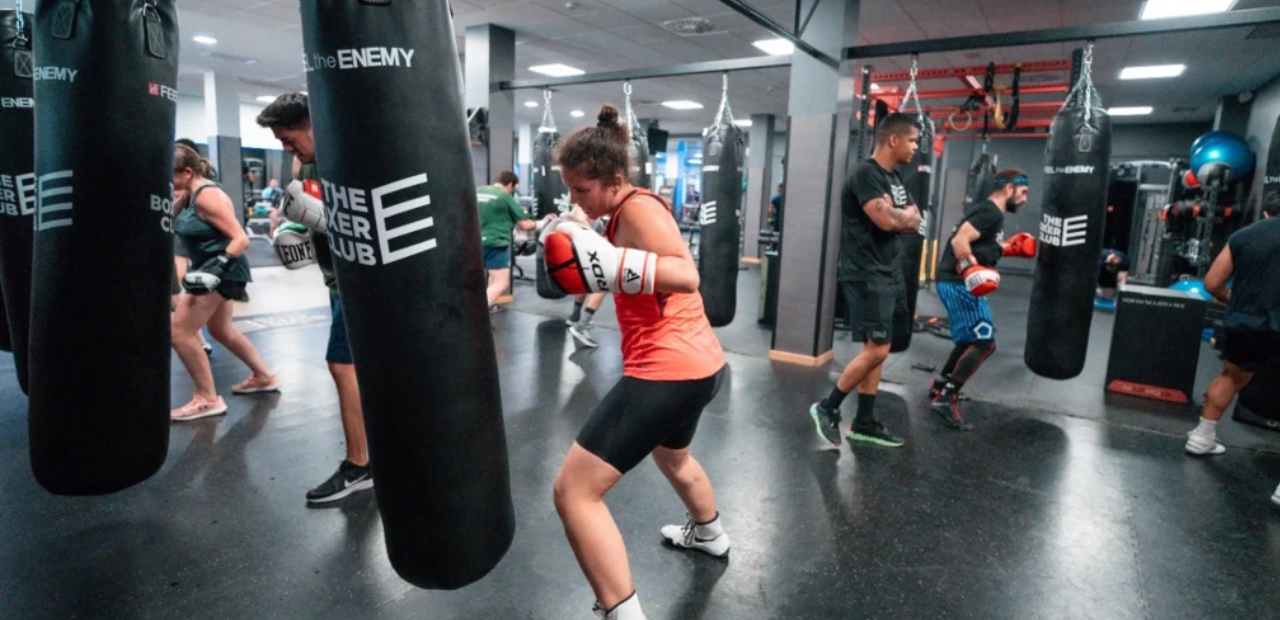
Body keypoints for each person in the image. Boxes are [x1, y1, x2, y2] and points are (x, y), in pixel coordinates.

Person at [547, 104, 729, 620]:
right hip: (700, 368)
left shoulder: (639, 210)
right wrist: (581, 226)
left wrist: (604, 260)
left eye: (582, 190)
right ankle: (709, 533)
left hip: (667, 372)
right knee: (673, 459)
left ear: (615, 180)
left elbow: (686, 276)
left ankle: (620, 610)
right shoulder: (621, 211)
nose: (575, 198)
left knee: (574, 492)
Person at [257, 93, 373, 504]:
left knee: (341, 365)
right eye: (280, 141)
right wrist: (296, 228)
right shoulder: (301, 162)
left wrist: (334, 222)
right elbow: (305, 210)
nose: (286, 148)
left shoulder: (355, 156)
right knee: (361, 369)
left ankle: (359, 465)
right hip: (333, 277)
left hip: (358, 282)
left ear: (315, 125)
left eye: (289, 138)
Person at [808, 113, 923, 449]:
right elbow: (887, 221)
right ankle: (827, 407)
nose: (916, 147)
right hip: (866, 273)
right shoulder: (865, 175)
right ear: (893, 139)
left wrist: (901, 216)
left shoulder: (896, 179)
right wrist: (899, 217)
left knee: (876, 350)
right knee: (880, 349)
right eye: (913, 140)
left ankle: (864, 422)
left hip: (888, 270)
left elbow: (916, 219)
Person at [170, 144, 280, 421]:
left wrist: (216, 269)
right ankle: (264, 377)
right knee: (220, 330)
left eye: (170, 175)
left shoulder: (208, 198)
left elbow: (241, 238)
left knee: (179, 332)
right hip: (212, 269)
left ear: (186, 172)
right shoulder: (187, 194)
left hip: (223, 271)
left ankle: (207, 398)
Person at [928, 169, 1034, 430]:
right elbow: (960, 240)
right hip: (958, 283)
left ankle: (940, 386)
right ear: (1008, 189)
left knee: (968, 340)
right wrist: (968, 268)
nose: (1025, 199)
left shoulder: (990, 213)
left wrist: (1006, 248)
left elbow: (979, 243)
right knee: (984, 342)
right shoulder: (991, 213)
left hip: (956, 282)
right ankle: (946, 398)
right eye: (1023, 192)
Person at [1184, 202, 1280, 468]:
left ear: (1266, 212)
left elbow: (1212, 284)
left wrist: (1237, 302)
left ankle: (1201, 438)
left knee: (1230, 376)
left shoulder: (1243, 235)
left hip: (1246, 322)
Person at [479, 171, 536, 308]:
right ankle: (476, 315)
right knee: (502, 283)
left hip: (475, 242)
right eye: (513, 188)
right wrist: (543, 223)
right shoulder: (504, 196)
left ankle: (487, 311)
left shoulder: (478, 191)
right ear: (510, 184)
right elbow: (525, 225)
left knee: (492, 277)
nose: (512, 191)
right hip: (495, 243)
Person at [564, 203, 608, 348]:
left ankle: (574, 316)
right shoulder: (584, 202)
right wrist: (596, 239)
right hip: (580, 245)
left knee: (587, 280)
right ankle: (581, 326)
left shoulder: (590, 201)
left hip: (578, 246)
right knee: (605, 281)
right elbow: (581, 220)